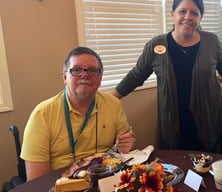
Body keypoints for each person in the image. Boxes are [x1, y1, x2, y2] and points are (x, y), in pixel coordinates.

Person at [110, 0, 222, 152]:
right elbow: (136, 76)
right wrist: (108, 99)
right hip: (173, 120)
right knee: (177, 167)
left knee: (208, 165)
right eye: (182, 11)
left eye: (194, 13)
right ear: (173, 13)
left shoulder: (211, 42)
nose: (188, 17)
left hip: (209, 117)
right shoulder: (156, 45)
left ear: (200, 17)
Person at [20, 47, 136, 181]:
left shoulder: (113, 104)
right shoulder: (42, 115)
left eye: (92, 70)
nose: (84, 75)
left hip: (105, 178)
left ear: (100, 78)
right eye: (76, 70)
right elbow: (36, 181)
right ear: (65, 77)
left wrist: (129, 144)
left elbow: (128, 146)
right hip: (63, 184)